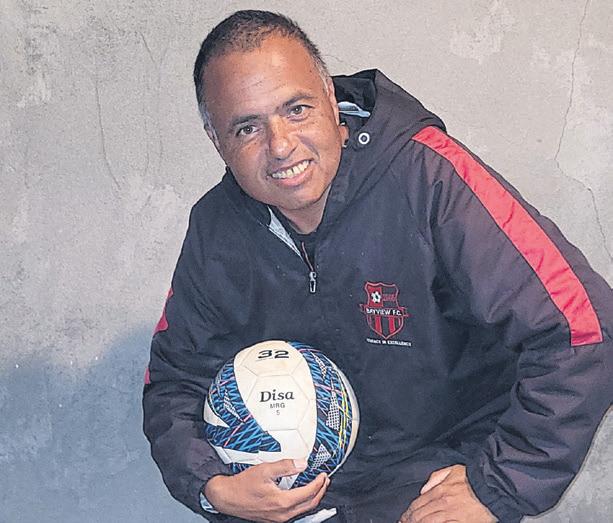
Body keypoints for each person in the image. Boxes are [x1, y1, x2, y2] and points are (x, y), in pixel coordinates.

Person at [142, 10, 613, 523]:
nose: (280, 145)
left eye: (296, 109)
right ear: (216, 139)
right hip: (296, 497)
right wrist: (212, 487)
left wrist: (495, 485)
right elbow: (175, 380)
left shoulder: (428, 179)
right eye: (247, 127)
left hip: (430, 482)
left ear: (330, 98)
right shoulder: (217, 227)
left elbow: (583, 330)